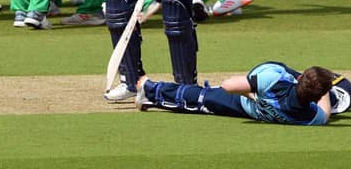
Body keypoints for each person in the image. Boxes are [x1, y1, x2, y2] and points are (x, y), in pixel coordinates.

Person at [136, 62, 333, 125]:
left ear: (300, 79)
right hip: (254, 109)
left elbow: (228, 85)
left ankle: (149, 89)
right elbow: (326, 112)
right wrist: (324, 89)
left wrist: (252, 93)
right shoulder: (312, 118)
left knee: (201, 96)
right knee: (203, 99)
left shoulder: (274, 79)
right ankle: (151, 95)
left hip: (244, 103)